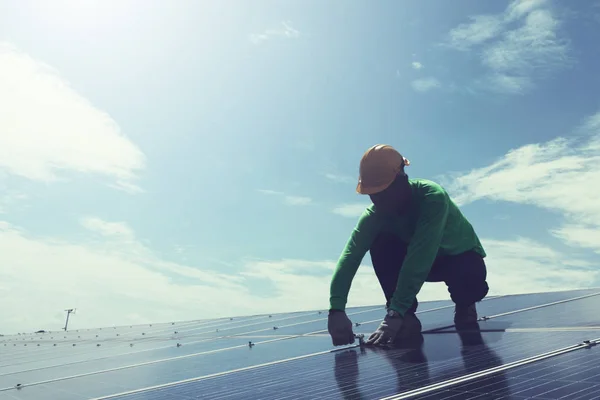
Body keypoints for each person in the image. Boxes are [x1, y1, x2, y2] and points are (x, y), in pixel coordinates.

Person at [327, 144, 490, 346]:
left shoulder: (432, 197)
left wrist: (395, 313)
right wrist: (336, 310)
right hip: (421, 265)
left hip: (459, 259)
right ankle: (406, 318)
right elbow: (350, 257)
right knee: (381, 243)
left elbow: (421, 253)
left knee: (469, 280)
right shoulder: (375, 216)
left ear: (402, 178)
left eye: (383, 192)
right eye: (372, 194)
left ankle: (465, 304)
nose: (378, 200)